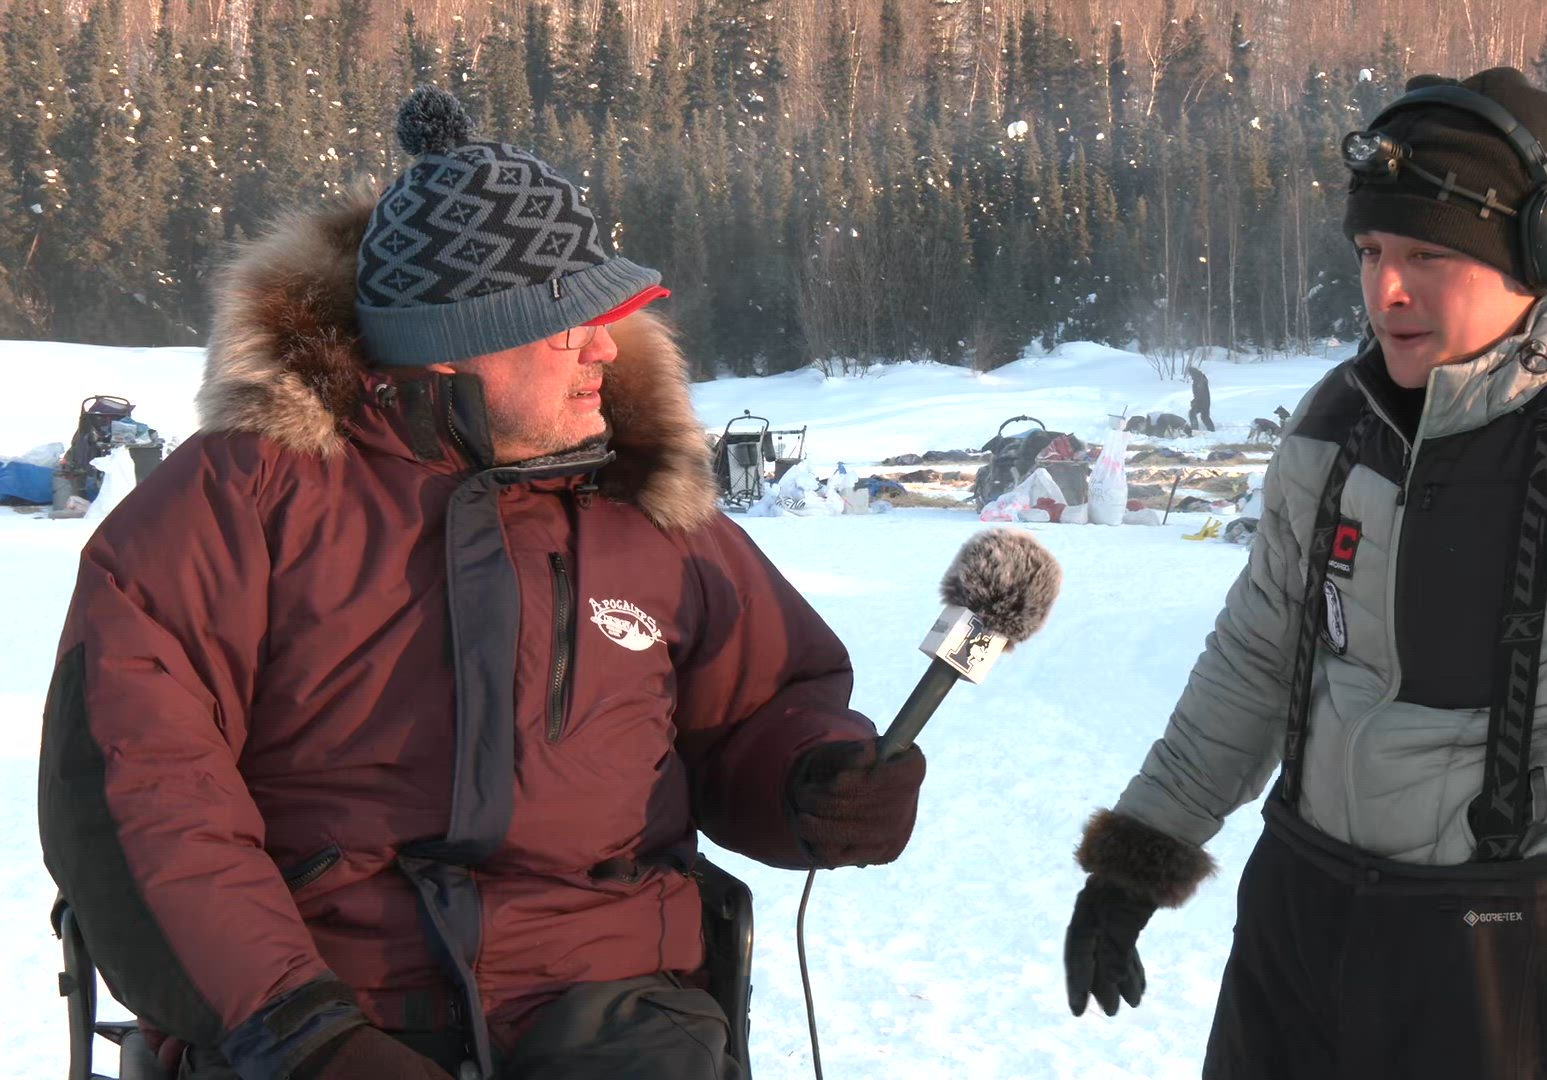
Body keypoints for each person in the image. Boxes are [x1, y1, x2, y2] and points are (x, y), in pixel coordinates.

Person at [40, 87, 926, 1080]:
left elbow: (762, 705)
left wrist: (812, 778)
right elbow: (138, 793)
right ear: (456, 341)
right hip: (317, 1012)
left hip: (612, 1009)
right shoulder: (238, 503)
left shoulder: (649, 508)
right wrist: (301, 1036)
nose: (606, 346)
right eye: (571, 323)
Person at [1062, 68, 1547, 1080]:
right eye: (1371, 252)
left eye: (1427, 256)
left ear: (1538, 251)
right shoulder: (1335, 426)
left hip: (1532, 962)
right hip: (1304, 933)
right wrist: (1140, 853)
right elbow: (1257, 657)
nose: (1386, 291)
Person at [1186, 364, 1214, 432]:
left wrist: (1194, 401)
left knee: (1192, 413)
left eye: (1190, 374)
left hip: (1202, 402)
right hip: (1204, 401)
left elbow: (1200, 393)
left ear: (1193, 373)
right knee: (1204, 416)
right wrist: (1194, 400)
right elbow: (1198, 393)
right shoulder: (1199, 378)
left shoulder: (1199, 380)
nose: (1190, 376)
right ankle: (1211, 429)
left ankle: (1195, 429)